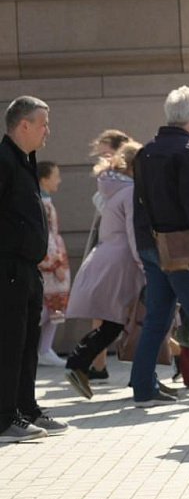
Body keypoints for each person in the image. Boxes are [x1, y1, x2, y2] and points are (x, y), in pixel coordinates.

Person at [131, 85, 189, 406]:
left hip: (152, 245)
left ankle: (143, 389)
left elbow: (139, 205)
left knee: (157, 317)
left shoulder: (144, 152)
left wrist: (147, 245)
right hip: (185, 248)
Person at [1, 95, 68, 442]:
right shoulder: (5, 161)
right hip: (9, 269)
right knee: (10, 343)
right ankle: (4, 419)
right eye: (43, 123)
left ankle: (25, 409)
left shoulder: (25, 161)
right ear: (23, 125)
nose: (48, 131)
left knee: (27, 342)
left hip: (28, 270)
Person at [63, 142, 144, 399]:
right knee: (118, 320)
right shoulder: (130, 191)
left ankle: (79, 364)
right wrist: (144, 264)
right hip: (121, 262)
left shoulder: (113, 189)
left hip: (107, 256)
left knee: (114, 320)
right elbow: (133, 233)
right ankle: (77, 363)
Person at [82, 129, 135, 381]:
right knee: (101, 307)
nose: (102, 157)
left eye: (106, 152)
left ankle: (180, 352)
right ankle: (98, 364)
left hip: (122, 248)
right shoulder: (108, 179)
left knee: (134, 313)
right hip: (107, 245)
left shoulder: (125, 180)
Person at [36, 161, 71, 367]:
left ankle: (44, 349)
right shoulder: (43, 202)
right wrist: (53, 263)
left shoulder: (44, 200)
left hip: (52, 256)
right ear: (43, 178)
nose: (58, 180)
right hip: (50, 261)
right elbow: (45, 235)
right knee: (49, 307)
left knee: (51, 308)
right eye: (55, 175)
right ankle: (43, 348)